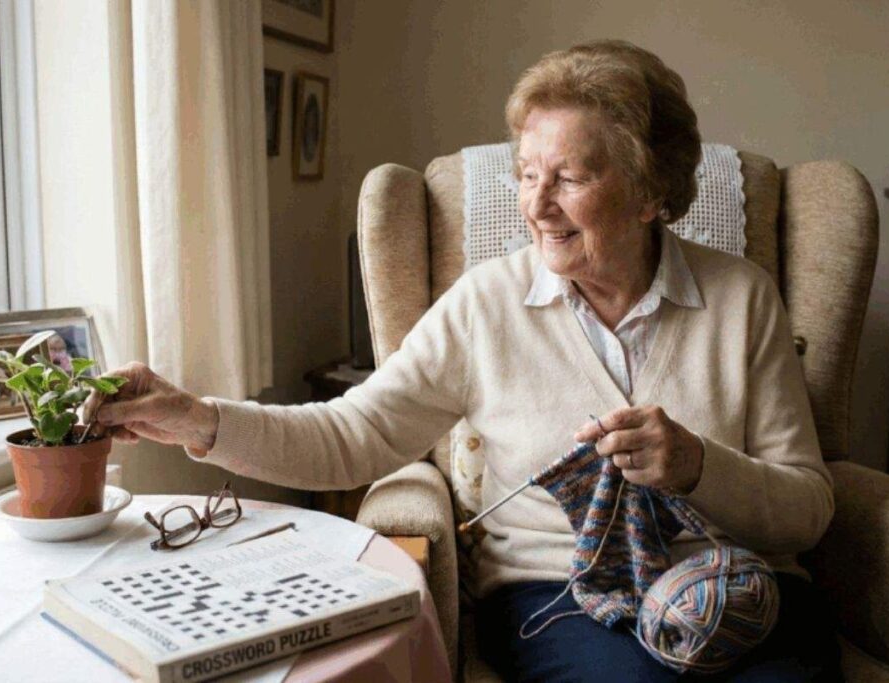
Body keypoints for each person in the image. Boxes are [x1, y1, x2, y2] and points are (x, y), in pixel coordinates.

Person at [88, 41, 841, 682]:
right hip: (559, 596)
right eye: (526, 173)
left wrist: (697, 466)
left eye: (570, 178)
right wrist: (197, 419)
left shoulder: (742, 298)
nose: (537, 204)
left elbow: (808, 507)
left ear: (650, 193)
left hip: (737, 586)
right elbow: (352, 434)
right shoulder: (487, 305)